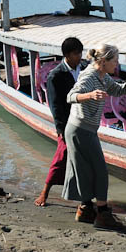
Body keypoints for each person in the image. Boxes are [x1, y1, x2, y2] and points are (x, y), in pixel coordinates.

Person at [63, 44, 126, 230]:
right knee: (100, 171)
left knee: (85, 170)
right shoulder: (89, 77)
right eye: (115, 61)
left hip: (87, 129)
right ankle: (103, 214)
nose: (117, 64)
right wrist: (89, 95)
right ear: (103, 62)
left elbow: (118, 90)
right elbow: (71, 96)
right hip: (79, 129)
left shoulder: (104, 76)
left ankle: (85, 210)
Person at [34, 37, 87, 207]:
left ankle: (84, 197)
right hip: (68, 124)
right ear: (67, 55)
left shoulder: (85, 69)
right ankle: (45, 192)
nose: (79, 56)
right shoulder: (55, 76)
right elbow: (55, 105)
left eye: (80, 52)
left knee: (85, 160)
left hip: (85, 122)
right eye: (76, 53)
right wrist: (61, 130)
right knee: (61, 158)